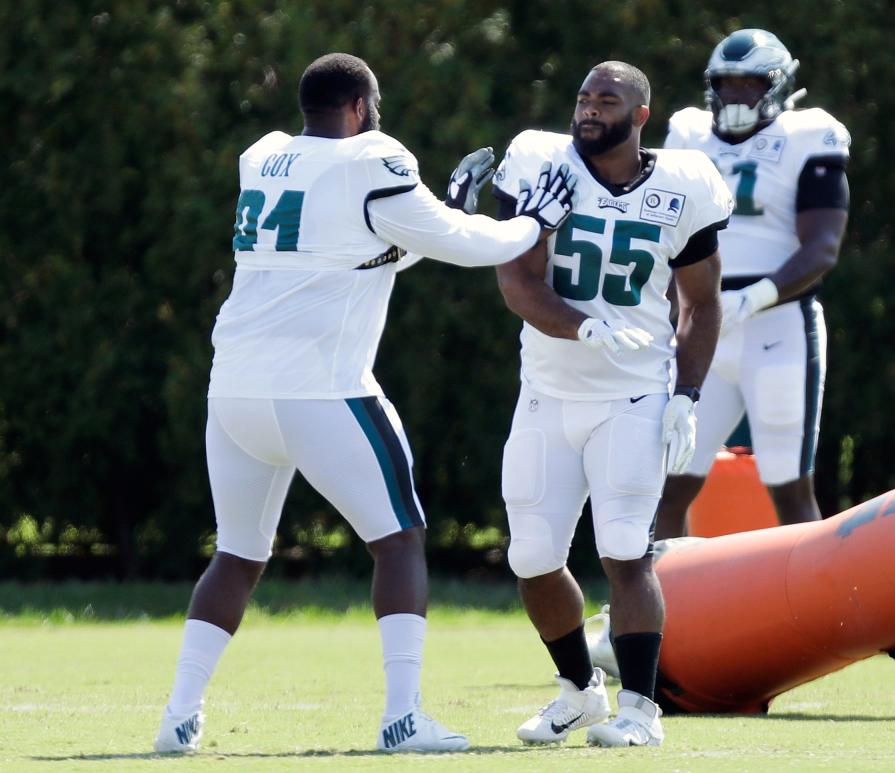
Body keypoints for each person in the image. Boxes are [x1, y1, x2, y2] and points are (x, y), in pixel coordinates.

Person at [153, 52, 577, 755]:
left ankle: (177, 714)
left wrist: (446, 209)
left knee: (235, 554)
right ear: (358, 107)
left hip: (233, 390)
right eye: (373, 108)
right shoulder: (374, 159)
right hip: (323, 390)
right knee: (400, 539)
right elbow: (468, 249)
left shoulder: (263, 157)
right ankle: (403, 715)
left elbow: (367, 247)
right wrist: (533, 224)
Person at [492, 61, 733, 748]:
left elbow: (702, 302)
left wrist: (686, 393)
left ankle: (641, 708)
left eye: (608, 99)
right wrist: (581, 324)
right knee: (532, 555)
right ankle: (578, 691)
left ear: (641, 115)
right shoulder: (542, 161)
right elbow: (515, 278)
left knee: (625, 547)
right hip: (546, 387)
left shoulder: (684, 186)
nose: (591, 108)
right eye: (584, 96)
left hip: (632, 391)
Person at [655, 29, 851, 539]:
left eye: (749, 84)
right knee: (668, 482)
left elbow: (822, 247)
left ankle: (817, 615)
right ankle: (659, 613)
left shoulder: (809, 134)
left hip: (777, 326)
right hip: (702, 329)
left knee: (789, 486)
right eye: (727, 84)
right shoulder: (688, 134)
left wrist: (753, 297)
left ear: (780, 85)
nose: (736, 95)